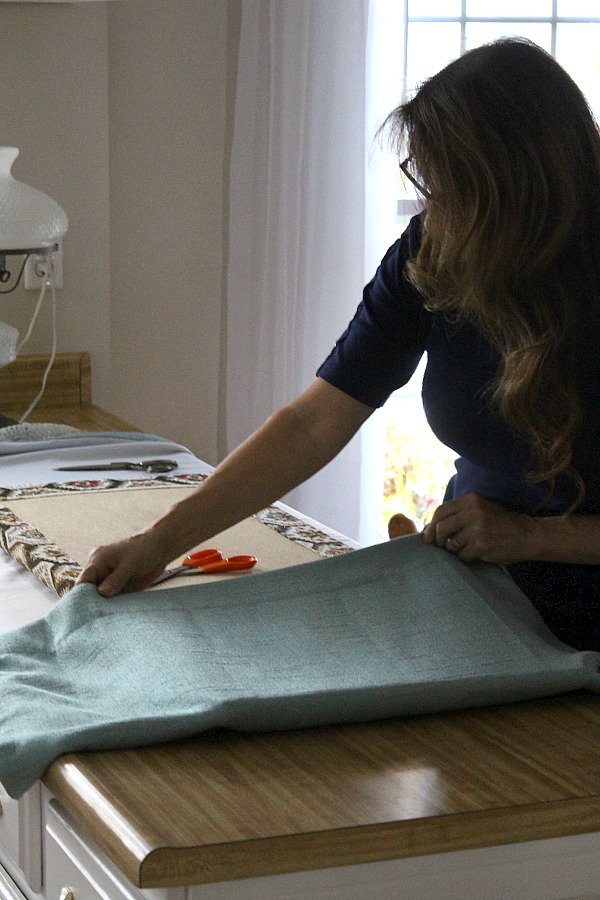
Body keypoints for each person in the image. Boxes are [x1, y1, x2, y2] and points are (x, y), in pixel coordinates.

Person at [78, 38, 600, 651]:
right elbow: (314, 423)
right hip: (489, 589)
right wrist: (158, 542)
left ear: (515, 194)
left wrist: (534, 537)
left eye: (449, 194)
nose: (430, 216)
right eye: (424, 186)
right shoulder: (431, 256)